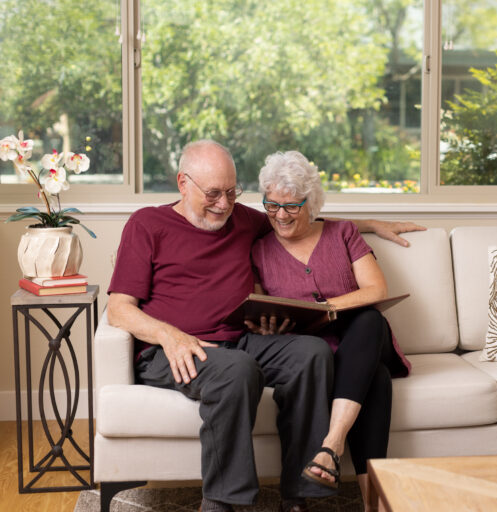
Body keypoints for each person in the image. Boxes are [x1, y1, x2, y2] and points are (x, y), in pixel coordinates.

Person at [106, 140, 424, 512]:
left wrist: (370, 225)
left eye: (231, 192)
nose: (223, 204)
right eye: (213, 194)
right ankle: (223, 503)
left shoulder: (242, 219)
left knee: (311, 352)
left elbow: (301, 220)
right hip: (173, 349)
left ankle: (298, 495)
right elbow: (118, 309)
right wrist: (168, 335)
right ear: (182, 183)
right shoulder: (147, 224)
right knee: (236, 371)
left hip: (240, 339)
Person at [250, 151, 411, 511]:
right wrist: (267, 324)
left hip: (365, 340)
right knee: (377, 379)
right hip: (312, 354)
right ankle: (374, 502)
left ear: (312, 203)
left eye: (291, 207)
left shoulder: (342, 232)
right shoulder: (260, 249)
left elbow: (375, 290)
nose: (280, 215)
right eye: (271, 205)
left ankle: (331, 444)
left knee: (369, 320)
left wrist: (328, 309)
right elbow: (261, 304)